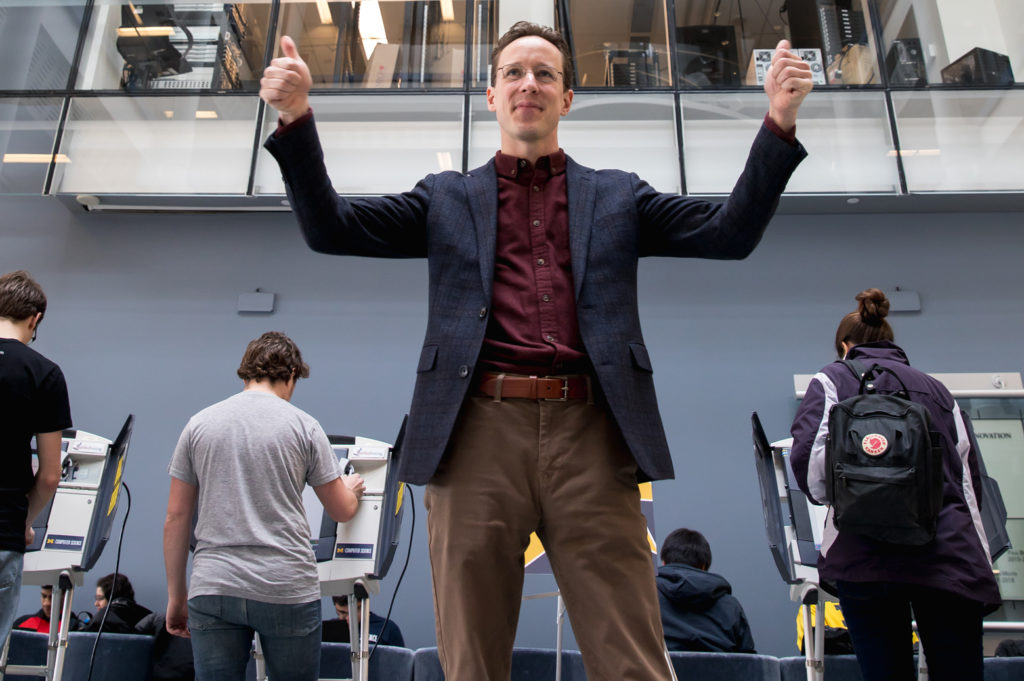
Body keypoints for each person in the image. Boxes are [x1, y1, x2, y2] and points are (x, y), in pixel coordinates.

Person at [260, 20, 812, 681]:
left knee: (633, 656)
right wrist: (295, 119)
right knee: (471, 658)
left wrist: (779, 120)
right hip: (475, 435)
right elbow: (331, 228)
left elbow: (730, 234)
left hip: (592, 433)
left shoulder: (617, 195)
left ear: (568, 98)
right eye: (513, 73)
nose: (529, 83)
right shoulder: (447, 198)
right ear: (490, 97)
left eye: (545, 73)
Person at [789, 288, 1001, 681]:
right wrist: (979, 565)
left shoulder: (831, 380)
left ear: (844, 345)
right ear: (890, 342)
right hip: (946, 553)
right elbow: (968, 484)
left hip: (864, 556)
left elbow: (811, 469)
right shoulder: (937, 391)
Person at [162, 331, 366, 681]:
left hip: (215, 585)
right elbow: (341, 510)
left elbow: (176, 517)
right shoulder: (304, 426)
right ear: (290, 377)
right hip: (285, 586)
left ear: (245, 374)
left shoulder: (199, 424)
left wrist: (177, 596)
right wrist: (351, 487)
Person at [0, 270, 69, 647]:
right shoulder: (45, 373)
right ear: (35, 319)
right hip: (3, 528)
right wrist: (25, 521)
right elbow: (49, 476)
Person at [656, 528, 755, 653]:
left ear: (664, 563)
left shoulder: (645, 599)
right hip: (719, 673)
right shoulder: (731, 607)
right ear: (703, 567)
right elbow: (749, 665)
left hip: (660, 673)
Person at [81, 572, 152, 633]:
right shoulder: (148, 620)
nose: (96, 604)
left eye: (100, 598)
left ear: (113, 600)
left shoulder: (101, 620)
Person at [322, 595, 404, 647]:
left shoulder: (387, 628)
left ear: (362, 606)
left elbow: (399, 665)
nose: (344, 618)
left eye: (349, 614)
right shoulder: (330, 629)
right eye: (340, 613)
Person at [12, 585, 80, 634]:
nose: (46, 603)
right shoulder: (21, 624)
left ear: (64, 597)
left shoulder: (74, 627)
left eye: (52, 597)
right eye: (44, 596)